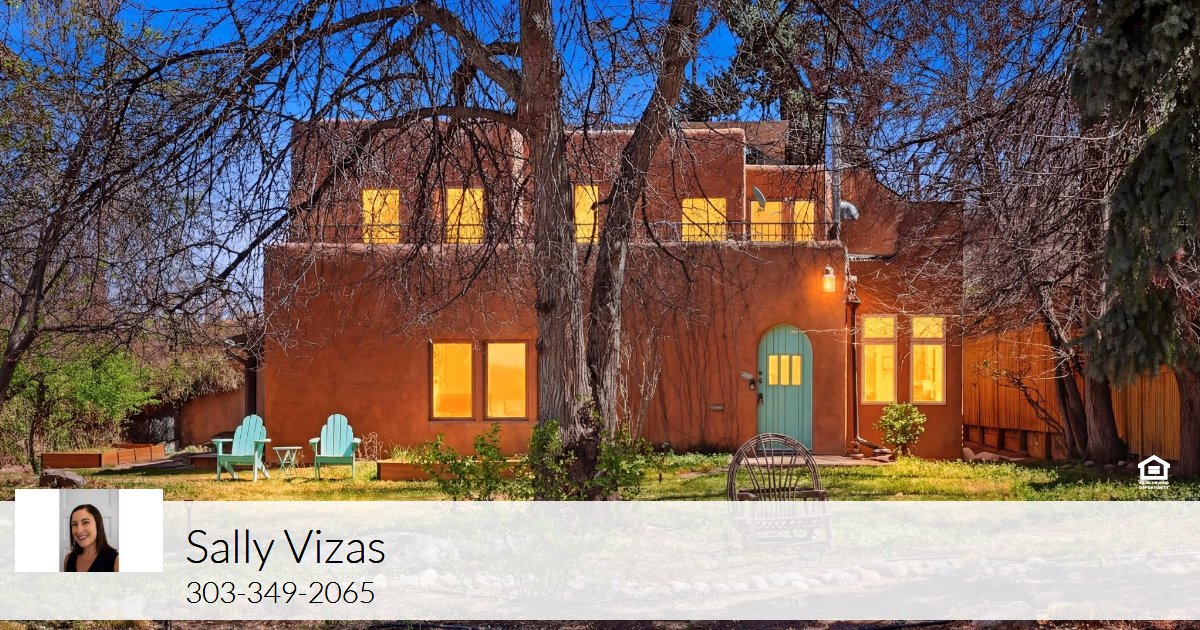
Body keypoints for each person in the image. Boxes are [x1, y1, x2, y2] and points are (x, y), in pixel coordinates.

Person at [63, 504, 119, 572]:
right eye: (74, 524)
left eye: (85, 522)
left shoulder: (116, 561)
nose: (78, 530)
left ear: (98, 525)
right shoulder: (68, 559)